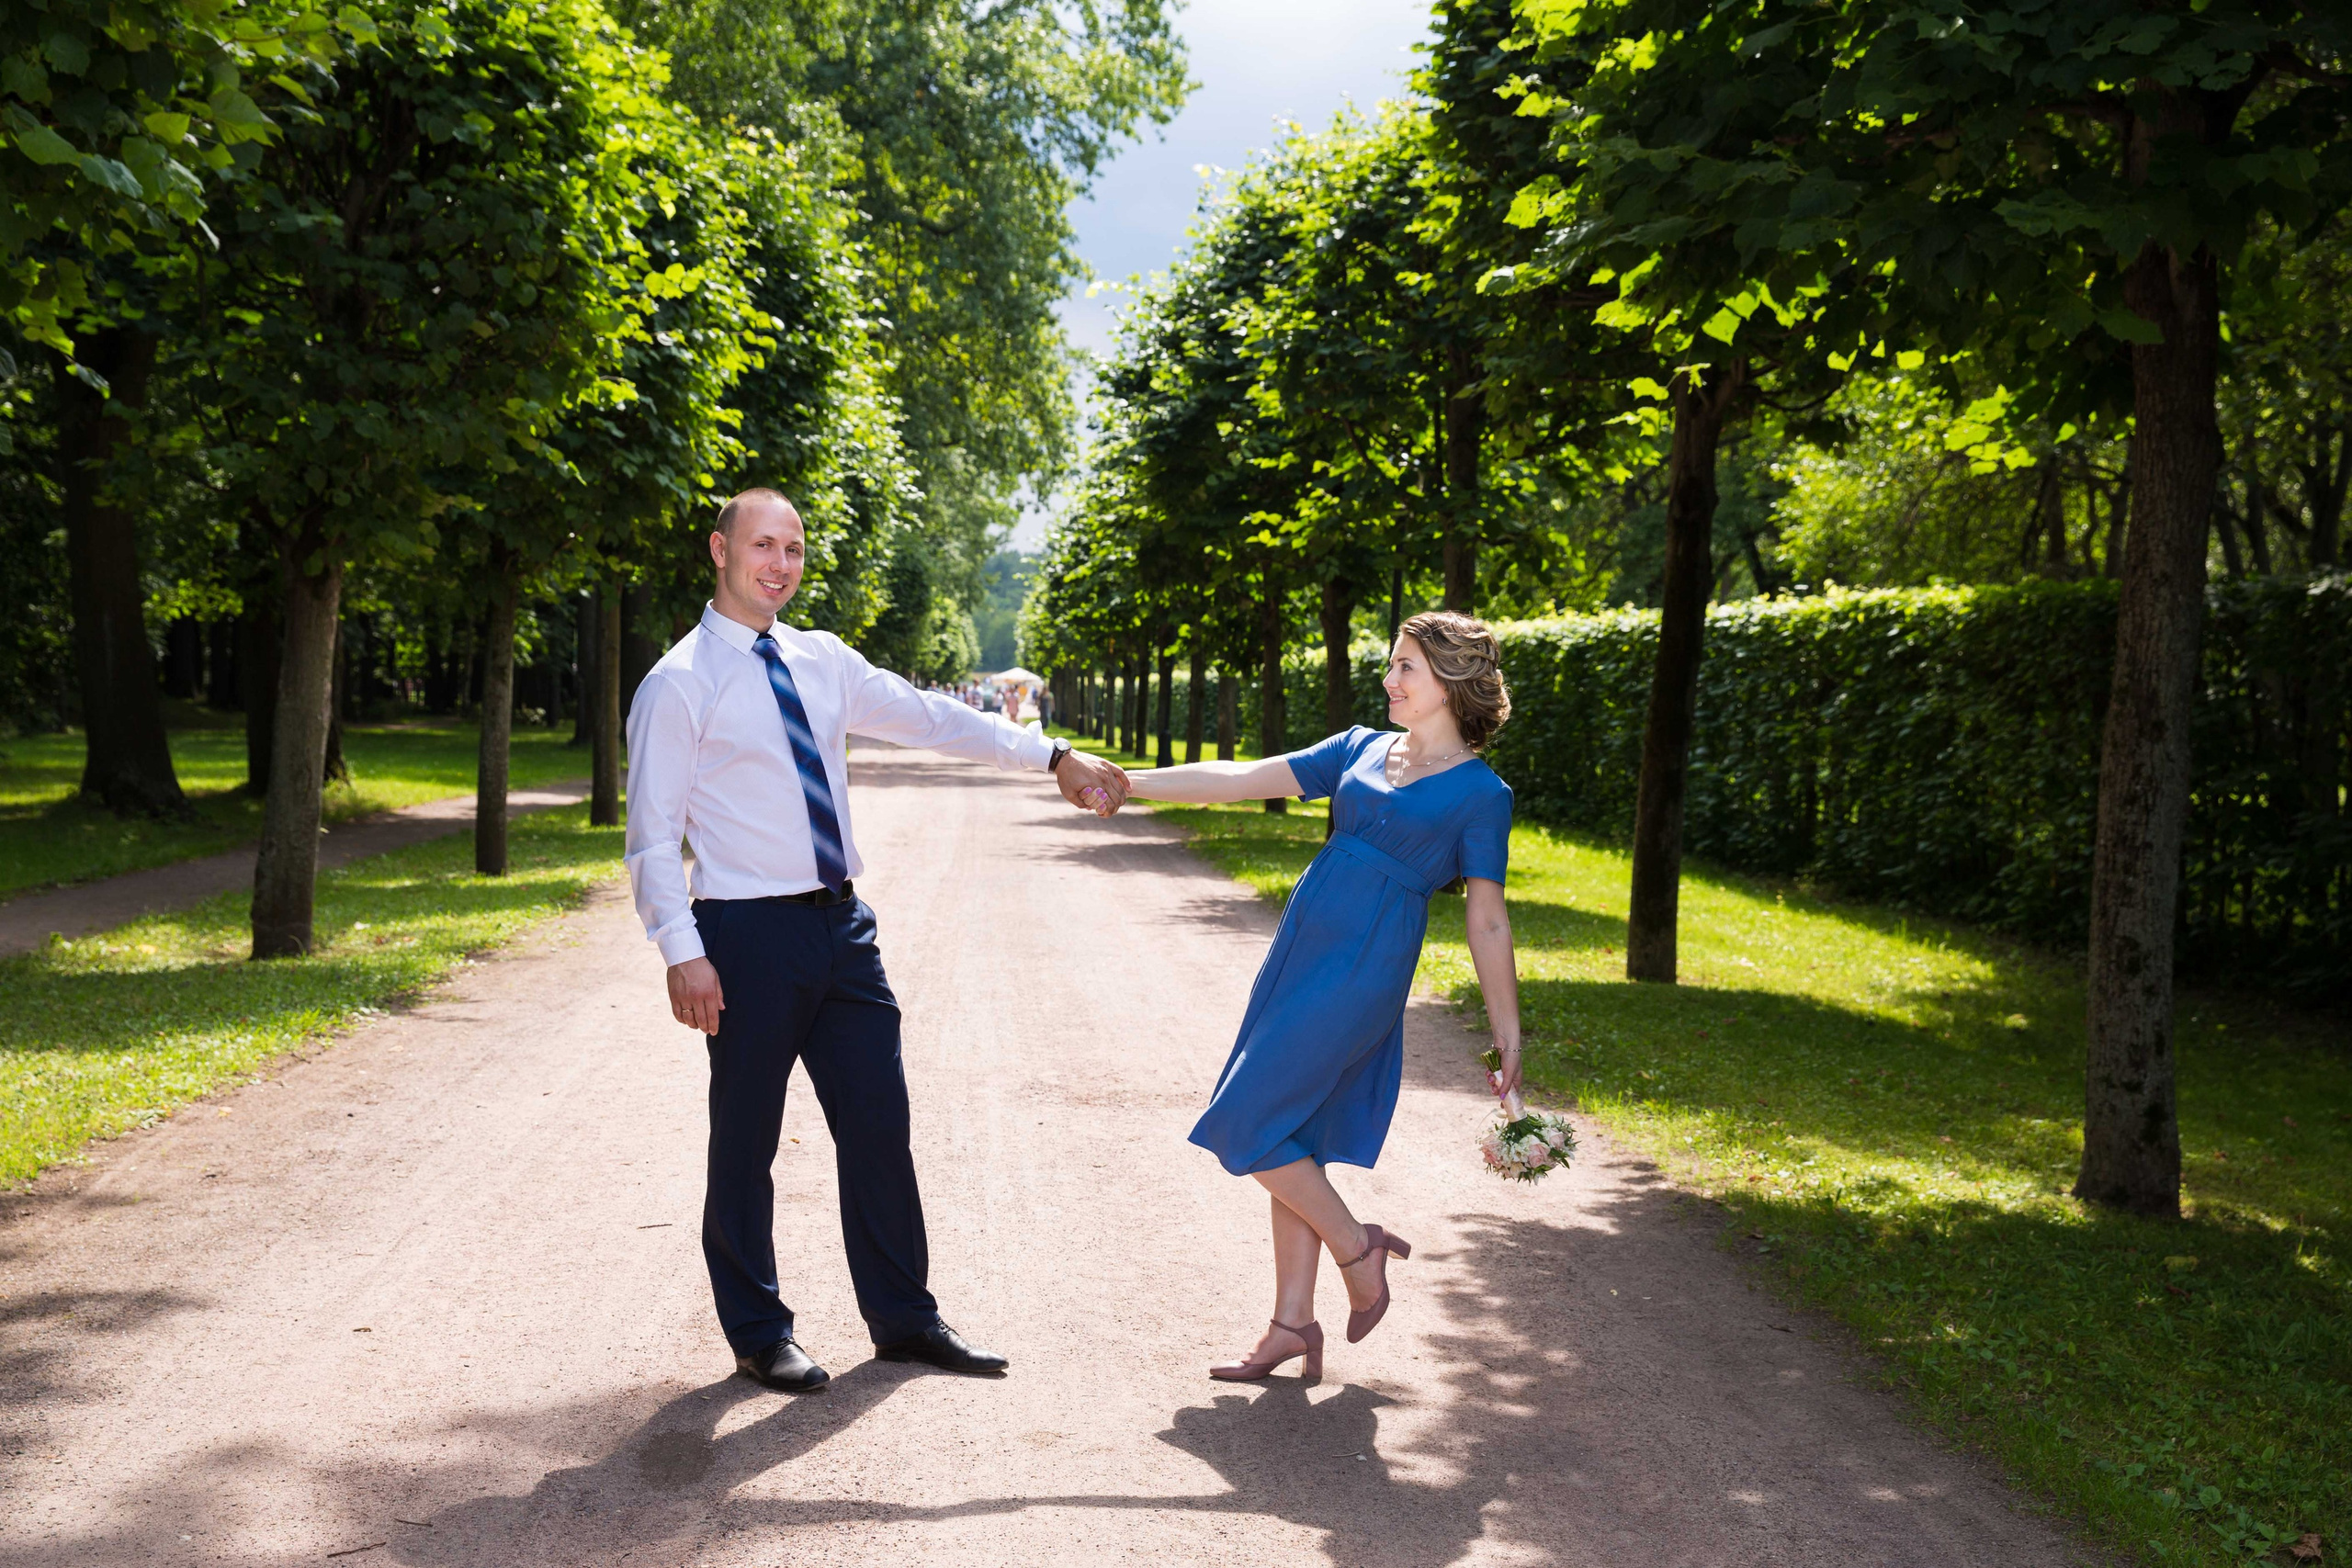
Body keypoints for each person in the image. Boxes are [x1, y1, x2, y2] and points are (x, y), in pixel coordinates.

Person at [625, 488, 1131, 1393]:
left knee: (877, 1124)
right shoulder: (679, 681)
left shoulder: (821, 661)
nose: (779, 564)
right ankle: (757, 1329)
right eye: (761, 546)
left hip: (840, 927)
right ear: (719, 550)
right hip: (743, 934)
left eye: (793, 548)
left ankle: (902, 1319)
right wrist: (680, 948)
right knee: (746, 1139)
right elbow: (653, 838)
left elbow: (934, 717)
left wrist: (1051, 755)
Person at [1121, 612, 1521, 1382]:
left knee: (1248, 1119)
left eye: (1406, 667)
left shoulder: (1481, 793)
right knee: (1290, 1131)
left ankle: (1357, 1247)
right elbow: (1245, 776)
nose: (1389, 679)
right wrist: (1130, 782)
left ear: (1452, 680)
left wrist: (1509, 1030)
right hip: (1303, 949)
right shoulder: (1361, 748)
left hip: (1365, 968)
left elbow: (1487, 915)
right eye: (1391, 664)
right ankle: (1292, 1323)